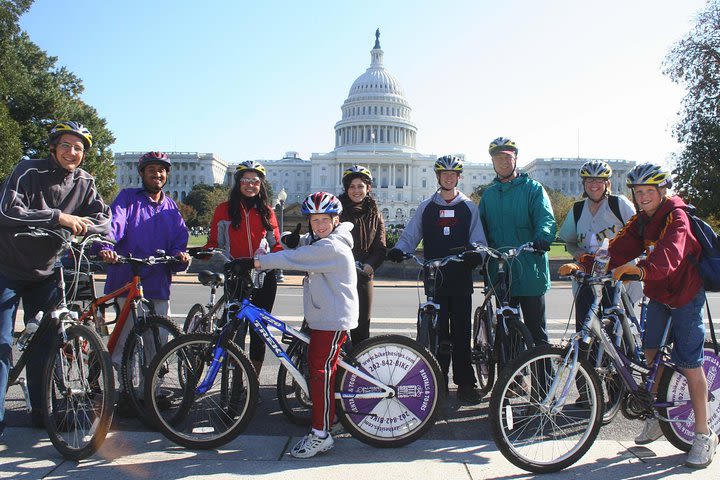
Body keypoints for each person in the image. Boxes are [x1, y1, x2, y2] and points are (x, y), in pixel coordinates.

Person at [560, 163, 717, 469]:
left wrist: (642, 269)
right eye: (639, 192)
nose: (643, 197)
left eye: (649, 191)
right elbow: (616, 250)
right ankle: (659, 417)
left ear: (662, 191)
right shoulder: (641, 220)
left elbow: (671, 252)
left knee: (689, 362)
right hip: (658, 294)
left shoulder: (677, 216)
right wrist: (586, 264)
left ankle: (703, 434)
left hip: (685, 294)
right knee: (650, 355)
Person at [0, 121, 111, 436]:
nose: (72, 152)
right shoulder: (27, 171)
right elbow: (6, 212)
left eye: (78, 148)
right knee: (1, 343)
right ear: (53, 147)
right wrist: (57, 217)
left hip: (48, 270)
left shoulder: (85, 182)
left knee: (46, 346)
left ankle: (42, 412)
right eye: (66, 145)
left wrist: (85, 226)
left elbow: (104, 219)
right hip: (7, 267)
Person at [253, 191, 358, 458]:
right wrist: (293, 239)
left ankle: (321, 433)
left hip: (332, 319)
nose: (319, 225)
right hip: (325, 315)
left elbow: (297, 258)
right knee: (324, 370)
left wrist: (259, 262)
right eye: (314, 220)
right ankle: (329, 419)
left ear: (335, 219)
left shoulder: (331, 247)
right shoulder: (326, 238)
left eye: (325, 219)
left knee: (320, 374)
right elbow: (305, 243)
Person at [386, 155, 486, 403]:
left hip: (461, 278)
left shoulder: (468, 207)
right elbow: (411, 234)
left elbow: (479, 239)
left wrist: (477, 254)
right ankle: (437, 380)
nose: (449, 178)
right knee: (437, 332)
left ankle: (465, 383)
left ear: (458, 178)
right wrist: (400, 248)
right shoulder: (426, 207)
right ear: (438, 177)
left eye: (453, 174)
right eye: (444, 174)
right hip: (434, 278)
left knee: (462, 332)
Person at [97, 152, 190, 377]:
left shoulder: (171, 208)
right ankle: (127, 389)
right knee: (125, 343)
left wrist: (180, 255)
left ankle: (152, 392)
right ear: (142, 173)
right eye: (151, 170)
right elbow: (115, 223)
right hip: (127, 278)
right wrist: (106, 246)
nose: (157, 174)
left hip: (158, 282)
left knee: (158, 343)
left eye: (161, 170)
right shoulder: (128, 198)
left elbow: (180, 237)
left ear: (167, 175)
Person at [203, 160, 281, 378]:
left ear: (261, 185)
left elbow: (275, 243)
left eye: (255, 181)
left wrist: (282, 253)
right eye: (245, 180)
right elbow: (214, 241)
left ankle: (253, 381)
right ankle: (235, 379)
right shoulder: (223, 210)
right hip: (236, 275)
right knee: (235, 330)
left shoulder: (267, 211)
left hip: (264, 277)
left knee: (259, 332)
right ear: (238, 183)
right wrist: (206, 251)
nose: (250, 185)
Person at [478, 137, 556, 348]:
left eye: (508, 157)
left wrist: (543, 237)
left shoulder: (533, 189)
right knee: (506, 333)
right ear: (493, 162)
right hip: (501, 271)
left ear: (515, 159)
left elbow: (545, 218)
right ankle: (512, 380)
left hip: (530, 268)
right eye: (498, 158)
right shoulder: (489, 195)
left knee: (536, 332)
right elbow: (480, 230)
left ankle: (544, 379)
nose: (504, 162)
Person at [557, 160, 636, 335]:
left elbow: (640, 232)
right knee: (586, 327)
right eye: (589, 180)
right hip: (587, 275)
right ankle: (589, 362)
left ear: (608, 183)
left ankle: (617, 360)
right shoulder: (578, 209)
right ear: (583, 184)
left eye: (599, 180)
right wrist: (578, 253)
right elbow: (569, 241)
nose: (594, 185)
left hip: (615, 275)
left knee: (615, 328)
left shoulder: (618, 204)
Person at [338, 164, 386, 345]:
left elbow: (380, 248)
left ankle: (356, 370)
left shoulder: (376, 214)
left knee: (361, 328)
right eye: (352, 186)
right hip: (339, 276)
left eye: (360, 186)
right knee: (335, 328)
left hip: (363, 275)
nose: (356, 191)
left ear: (368, 188)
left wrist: (369, 266)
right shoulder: (336, 211)